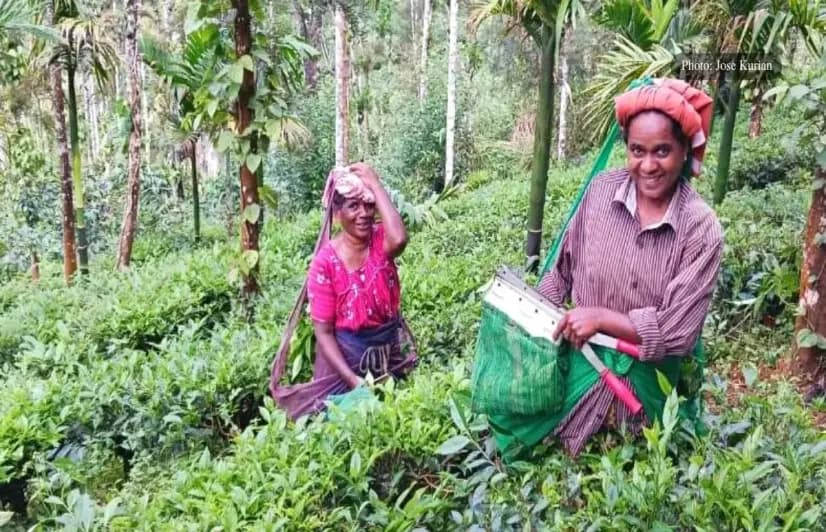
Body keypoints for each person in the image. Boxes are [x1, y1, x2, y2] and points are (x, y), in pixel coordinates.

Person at [534, 79, 723, 456]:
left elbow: (676, 333)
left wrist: (602, 318)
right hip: (577, 367)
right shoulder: (602, 191)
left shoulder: (701, 228)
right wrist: (535, 318)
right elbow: (561, 272)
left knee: (627, 474)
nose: (648, 165)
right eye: (637, 150)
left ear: (684, 150)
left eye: (663, 151)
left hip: (644, 392)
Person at [275, 163, 417, 419]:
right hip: (343, 369)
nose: (364, 214)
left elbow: (399, 239)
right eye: (353, 206)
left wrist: (374, 183)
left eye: (369, 205)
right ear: (338, 212)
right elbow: (324, 333)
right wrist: (354, 381)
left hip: (386, 357)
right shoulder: (325, 263)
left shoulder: (380, 241)